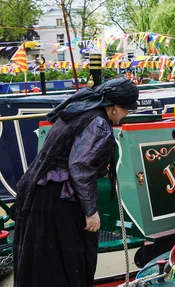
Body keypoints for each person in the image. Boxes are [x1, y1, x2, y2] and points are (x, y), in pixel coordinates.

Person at [12, 78, 139, 287]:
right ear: (116, 108)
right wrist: (91, 212)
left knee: (41, 267)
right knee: (64, 267)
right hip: (58, 201)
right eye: (127, 110)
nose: (126, 115)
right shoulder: (98, 123)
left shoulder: (79, 110)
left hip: (39, 193)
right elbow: (80, 168)